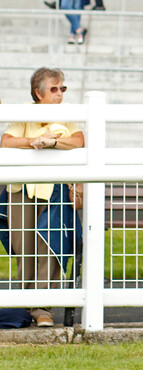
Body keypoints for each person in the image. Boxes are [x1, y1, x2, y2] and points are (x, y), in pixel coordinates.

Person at [1, 68, 85, 328]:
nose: (60, 94)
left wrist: (52, 144)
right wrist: (34, 141)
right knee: (23, 248)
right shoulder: (24, 112)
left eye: (63, 89)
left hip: (54, 191)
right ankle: (25, 306)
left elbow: (80, 140)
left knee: (50, 244)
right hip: (21, 190)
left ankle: (43, 307)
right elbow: (6, 142)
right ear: (38, 93)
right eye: (54, 89)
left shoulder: (68, 114)